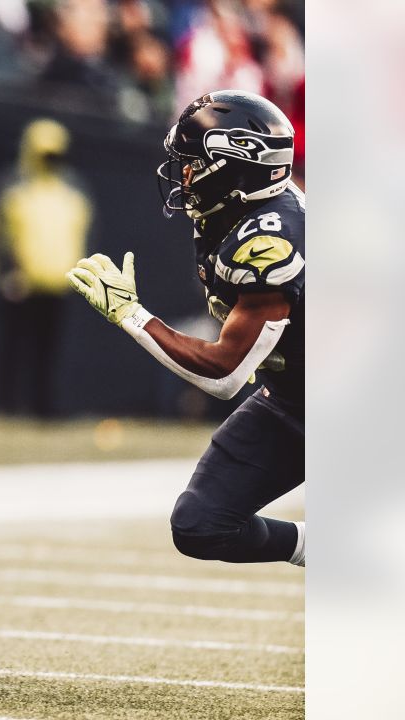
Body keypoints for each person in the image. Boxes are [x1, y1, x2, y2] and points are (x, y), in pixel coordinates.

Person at [66, 90, 304, 567]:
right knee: (202, 524)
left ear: (236, 166)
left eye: (194, 163)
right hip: (291, 401)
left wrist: (132, 316)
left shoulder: (271, 242)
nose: (185, 175)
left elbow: (225, 375)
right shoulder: (234, 211)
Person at [0, 118, 92, 418]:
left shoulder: (70, 194)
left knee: (49, 349)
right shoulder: (18, 190)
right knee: (15, 347)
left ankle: (45, 406)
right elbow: (6, 235)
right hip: (24, 280)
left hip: (58, 281)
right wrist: (11, 269)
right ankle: (9, 405)